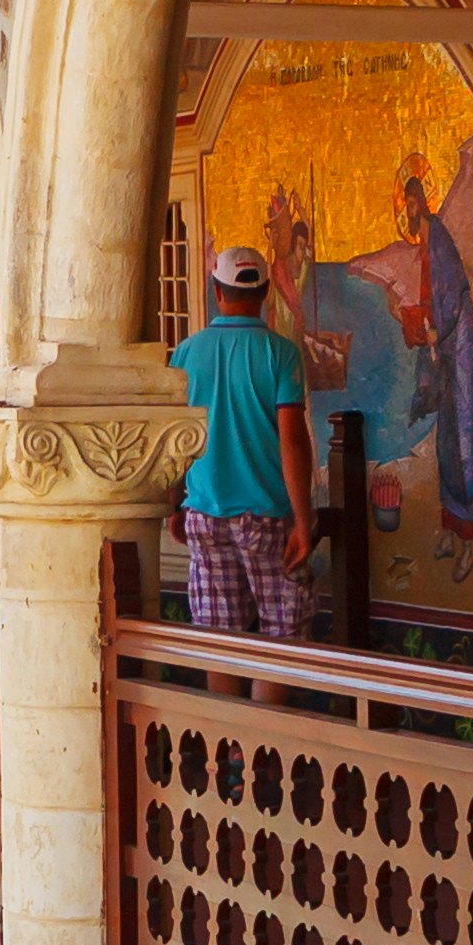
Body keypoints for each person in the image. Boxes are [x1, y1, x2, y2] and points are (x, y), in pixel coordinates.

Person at [171, 241, 318, 643]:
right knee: (282, 636)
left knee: (220, 641)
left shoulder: (185, 354)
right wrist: (303, 522)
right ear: (266, 292)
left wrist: (172, 502)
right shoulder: (281, 354)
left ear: (216, 291)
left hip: (203, 514)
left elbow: (174, 440)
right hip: (267, 517)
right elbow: (292, 443)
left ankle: (223, 708)